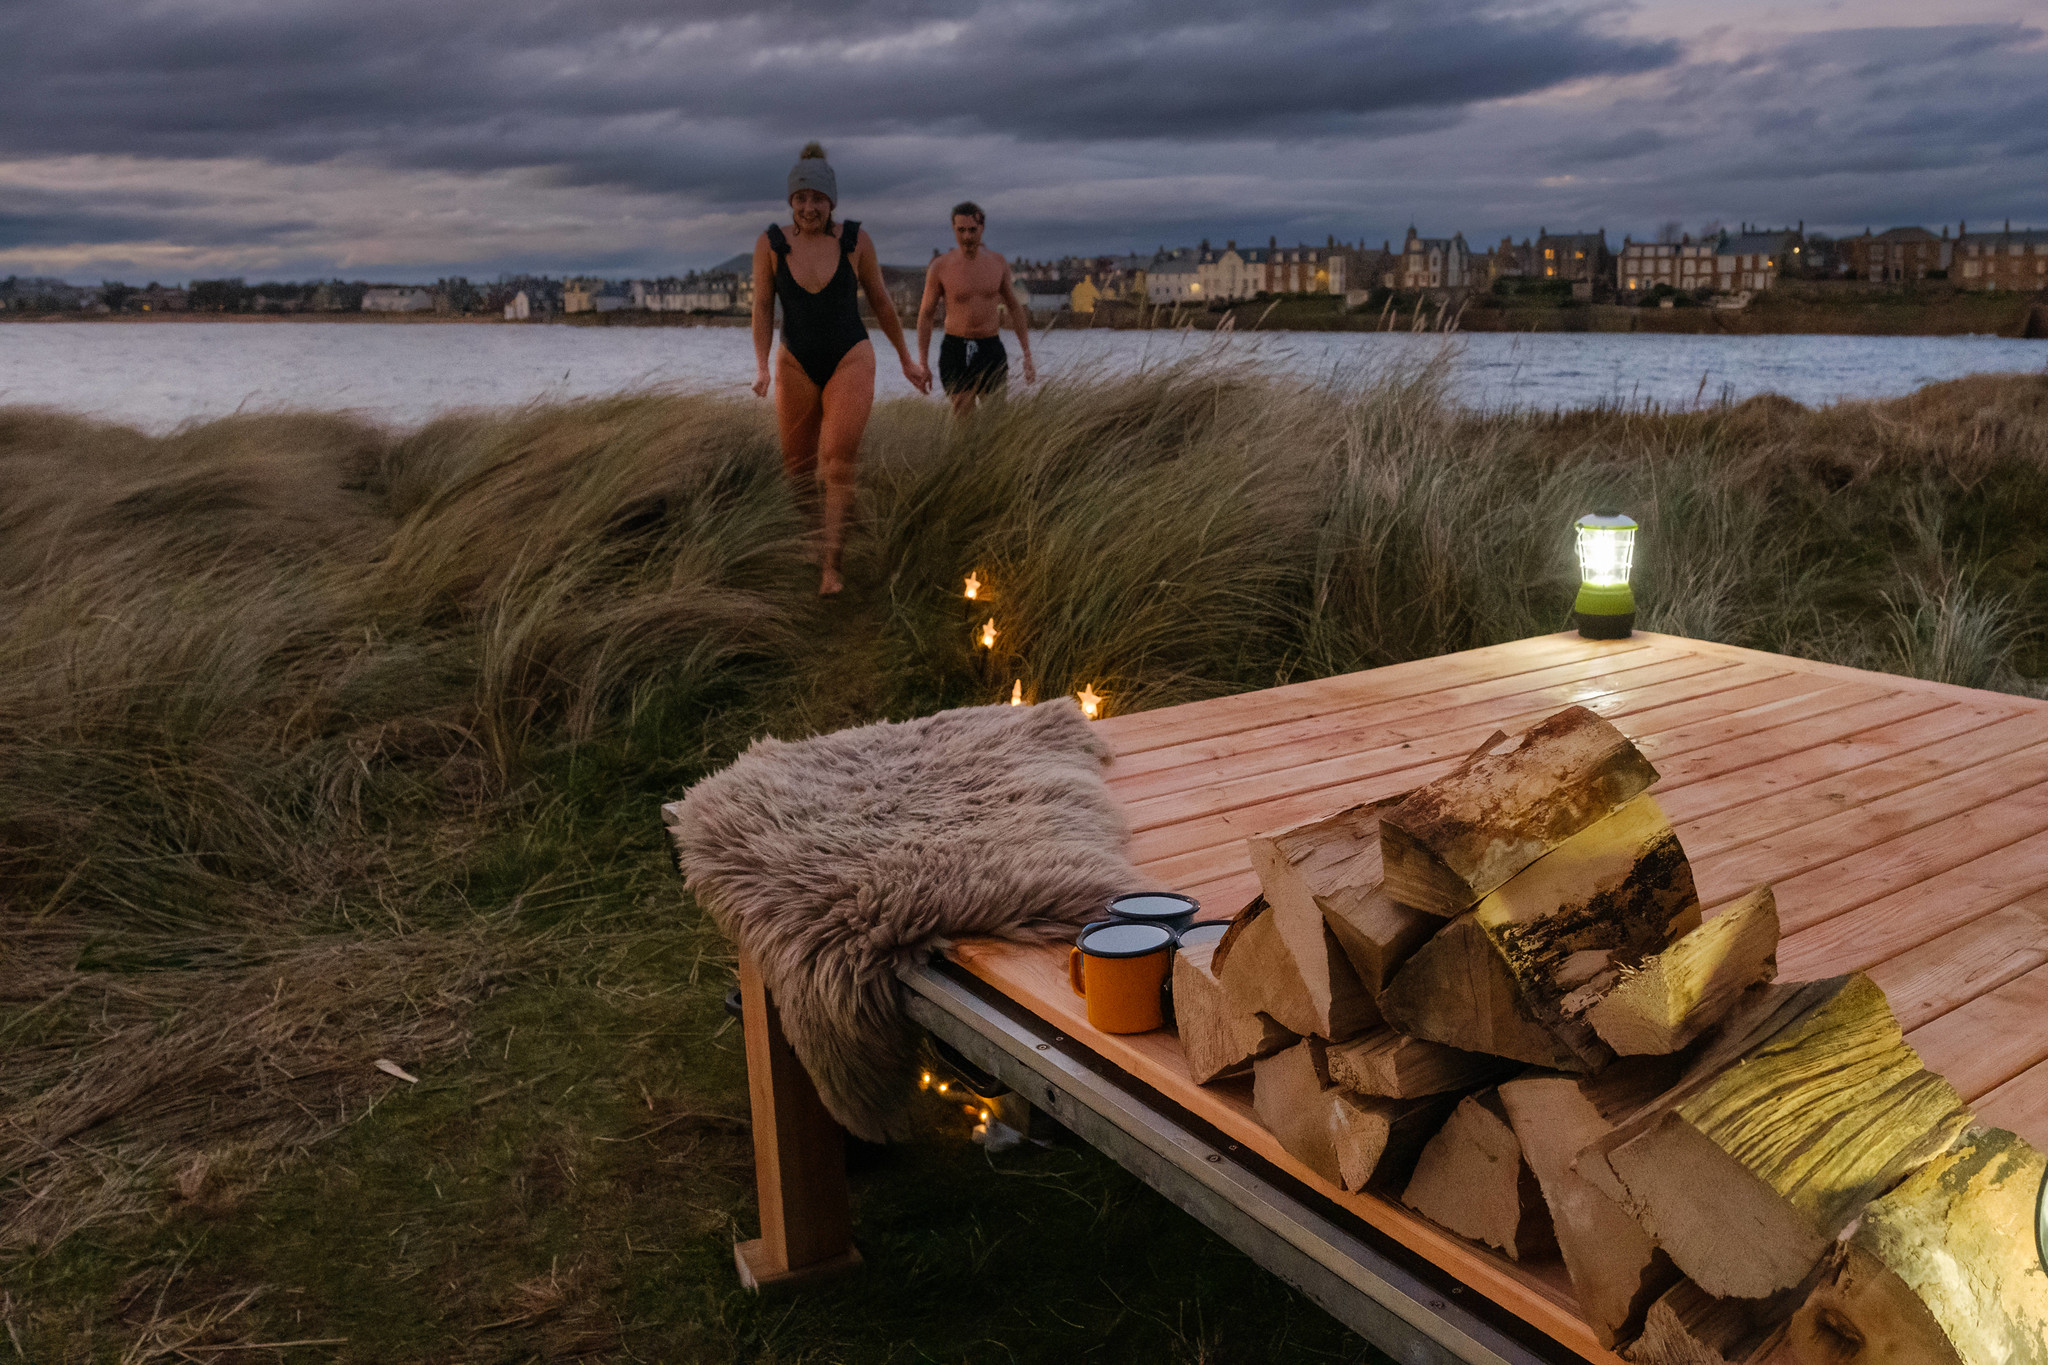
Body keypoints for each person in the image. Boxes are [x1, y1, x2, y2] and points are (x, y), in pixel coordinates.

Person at [752, 142, 929, 595]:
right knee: (796, 468)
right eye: (801, 198)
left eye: (818, 198)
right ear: (791, 200)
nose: (809, 207)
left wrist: (906, 358)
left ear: (832, 200)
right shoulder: (771, 244)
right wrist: (762, 368)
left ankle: (832, 566)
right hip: (794, 360)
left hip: (850, 355)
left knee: (838, 462)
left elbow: (882, 304)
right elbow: (761, 309)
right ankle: (816, 540)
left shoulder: (855, 241)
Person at [916, 202, 1036, 417]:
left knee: (995, 418)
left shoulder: (997, 264)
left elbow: (1015, 309)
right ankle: (965, 451)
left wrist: (1027, 354)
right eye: (961, 230)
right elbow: (926, 315)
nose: (967, 236)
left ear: (982, 228)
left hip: (990, 347)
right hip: (956, 348)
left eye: (972, 230)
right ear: (954, 229)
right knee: (964, 416)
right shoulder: (940, 267)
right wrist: (922, 364)